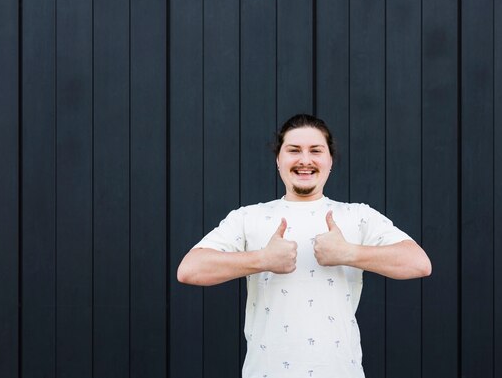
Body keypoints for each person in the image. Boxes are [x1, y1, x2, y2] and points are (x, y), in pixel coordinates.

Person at [177, 114, 431, 378]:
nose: (305, 160)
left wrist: (349, 253)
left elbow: (419, 263)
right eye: (294, 150)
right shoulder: (247, 217)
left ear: (330, 160)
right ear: (279, 160)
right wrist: (263, 259)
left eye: (316, 151)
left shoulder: (358, 216)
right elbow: (190, 270)